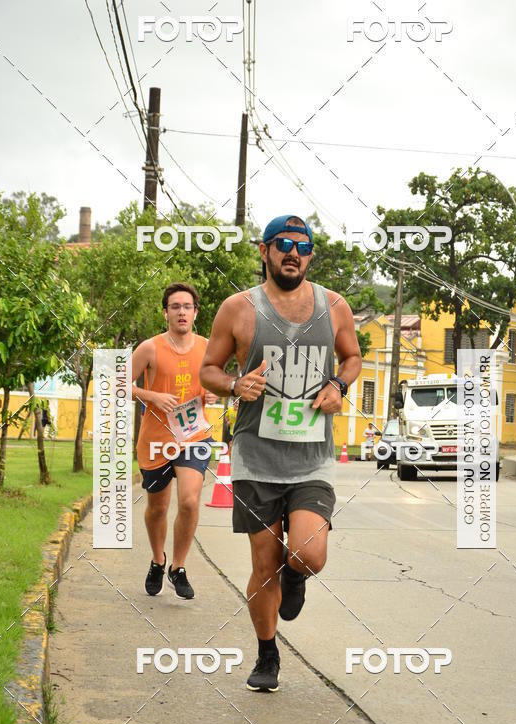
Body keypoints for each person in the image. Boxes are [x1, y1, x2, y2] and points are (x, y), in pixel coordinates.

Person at [200, 215, 362, 692]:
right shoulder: (237, 309)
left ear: (311, 255)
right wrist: (234, 384)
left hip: (311, 456)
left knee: (309, 554)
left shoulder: (333, 306)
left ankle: (298, 579)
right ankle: (267, 652)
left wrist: (339, 384)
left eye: (303, 246)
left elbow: (352, 358)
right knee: (262, 563)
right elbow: (210, 369)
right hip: (255, 457)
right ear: (265, 251)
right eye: (284, 244)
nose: (294, 252)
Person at [132, 282, 218, 599]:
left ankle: (178, 567)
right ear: (165, 312)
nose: (181, 312)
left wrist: (212, 392)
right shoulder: (150, 348)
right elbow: (116, 384)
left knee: (190, 500)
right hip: (156, 440)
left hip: (194, 436)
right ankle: (158, 560)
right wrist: (150, 395)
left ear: (196, 312)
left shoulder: (208, 347)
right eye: (175, 306)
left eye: (187, 306)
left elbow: (215, 383)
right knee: (158, 508)